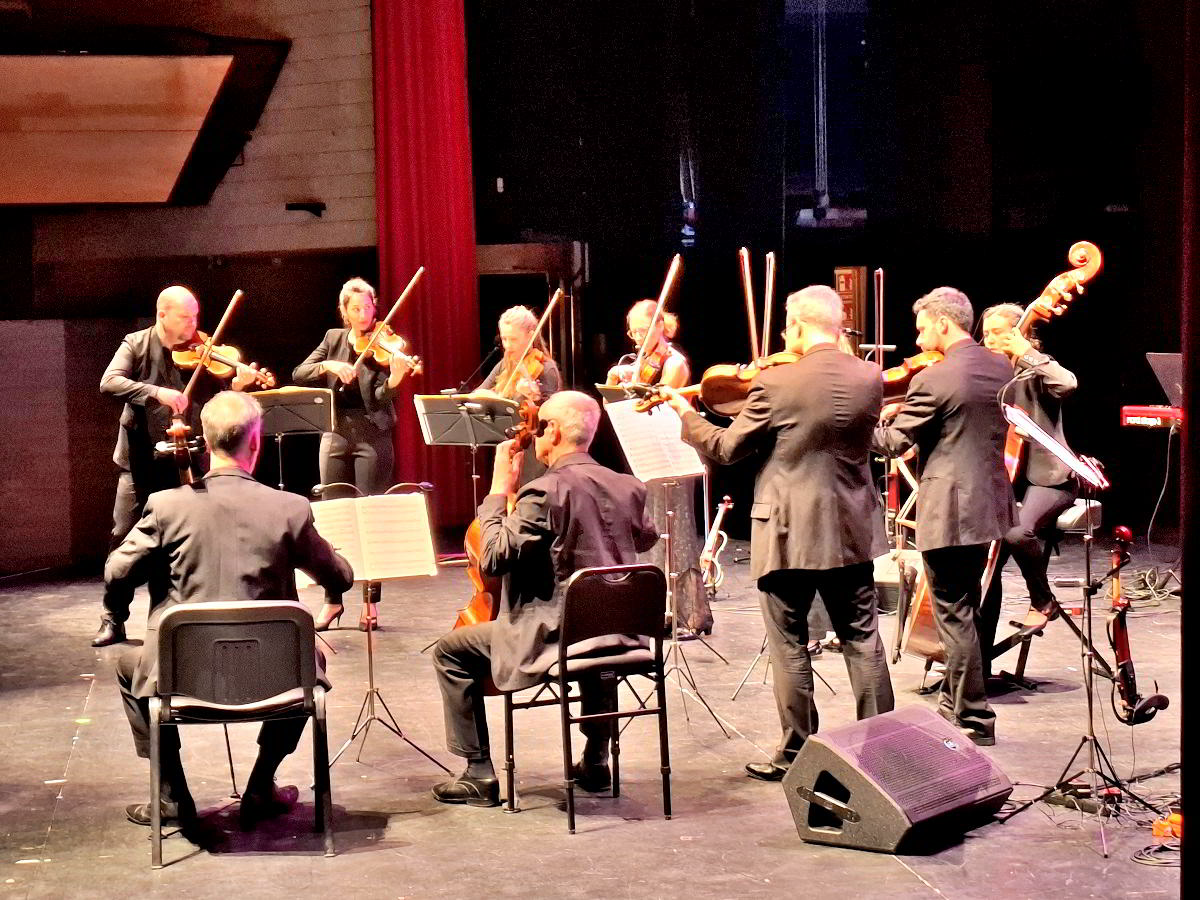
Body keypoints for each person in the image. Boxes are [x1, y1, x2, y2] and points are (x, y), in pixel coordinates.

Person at [658, 285, 895, 780]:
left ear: (795, 324)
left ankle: (795, 754)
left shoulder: (778, 383)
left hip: (787, 529)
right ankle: (880, 749)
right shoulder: (869, 376)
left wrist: (685, 414)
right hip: (851, 525)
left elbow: (727, 448)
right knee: (863, 639)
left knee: (788, 644)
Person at [105, 392, 354, 836]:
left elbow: (117, 570)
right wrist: (333, 594)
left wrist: (118, 613)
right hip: (274, 677)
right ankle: (260, 785)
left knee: (130, 667)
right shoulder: (289, 508)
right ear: (255, 444)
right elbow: (339, 573)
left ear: (205, 441)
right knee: (308, 664)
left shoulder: (167, 506)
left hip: (185, 675)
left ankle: (172, 797)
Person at [430, 391, 659, 807]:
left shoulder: (542, 492)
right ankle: (595, 759)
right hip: (624, 633)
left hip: (553, 637)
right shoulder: (629, 487)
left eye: (539, 430)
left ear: (553, 432)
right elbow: (645, 540)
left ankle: (478, 773)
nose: (535, 438)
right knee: (597, 623)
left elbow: (495, 558)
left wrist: (500, 491)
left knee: (450, 651)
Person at [874, 287, 1017, 746]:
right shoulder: (1000, 366)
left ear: (942, 323)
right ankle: (960, 704)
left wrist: (858, 422)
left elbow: (896, 444)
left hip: (950, 508)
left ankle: (973, 716)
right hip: (989, 502)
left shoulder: (933, 378)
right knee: (967, 609)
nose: (917, 342)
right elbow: (962, 423)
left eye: (920, 330)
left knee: (953, 612)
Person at [92, 285, 259, 648]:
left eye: (196, 315)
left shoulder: (206, 350)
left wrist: (239, 385)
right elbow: (109, 381)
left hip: (188, 459)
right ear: (162, 315)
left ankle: (185, 615)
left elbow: (222, 402)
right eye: (186, 317)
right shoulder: (136, 344)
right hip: (140, 461)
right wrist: (155, 392)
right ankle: (113, 617)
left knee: (189, 541)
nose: (194, 324)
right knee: (123, 539)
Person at [292, 277, 418, 632]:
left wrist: (394, 380)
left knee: (369, 520)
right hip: (334, 433)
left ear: (375, 307)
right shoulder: (333, 339)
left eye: (368, 307)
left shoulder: (386, 345)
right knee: (333, 519)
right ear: (344, 311)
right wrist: (328, 366)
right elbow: (299, 373)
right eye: (356, 309)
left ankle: (370, 604)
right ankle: (333, 601)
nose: (364, 315)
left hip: (372, 435)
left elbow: (378, 398)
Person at [978, 302, 1079, 673]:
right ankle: (979, 663)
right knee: (986, 566)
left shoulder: (1036, 368)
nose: (990, 341)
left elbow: (1067, 383)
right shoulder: (986, 376)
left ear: (1022, 333)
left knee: (1017, 532)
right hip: (1001, 478)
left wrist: (1027, 353)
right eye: (986, 334)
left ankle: (1044, 600)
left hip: (1048, 477)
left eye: (1001, 334)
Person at [606, 299, 712, 634]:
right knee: (653, 530)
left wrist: (634, 383)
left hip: (673, 448)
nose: (635, 337)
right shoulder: (639, 361)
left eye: (641, 329)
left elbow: (662, 398)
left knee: (677, 531)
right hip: (649, 448)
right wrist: (618, 381)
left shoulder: (674, 362)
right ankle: (659, 608)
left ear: (659, 327)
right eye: (632, 330)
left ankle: (691, 615)